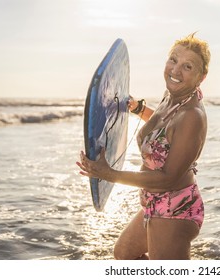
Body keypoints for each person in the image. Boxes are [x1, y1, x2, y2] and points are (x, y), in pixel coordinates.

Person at [76, 33, 210, 260]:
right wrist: (139, 110)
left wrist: (109, 174)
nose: (175, 71)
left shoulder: (192, 117)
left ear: (201, 76)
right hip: (155, 202)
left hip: (174, 208)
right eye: (173, 60)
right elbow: (166, 127)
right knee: (125, 253)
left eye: (187, 66)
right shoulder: (172, 97)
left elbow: (167, 178)